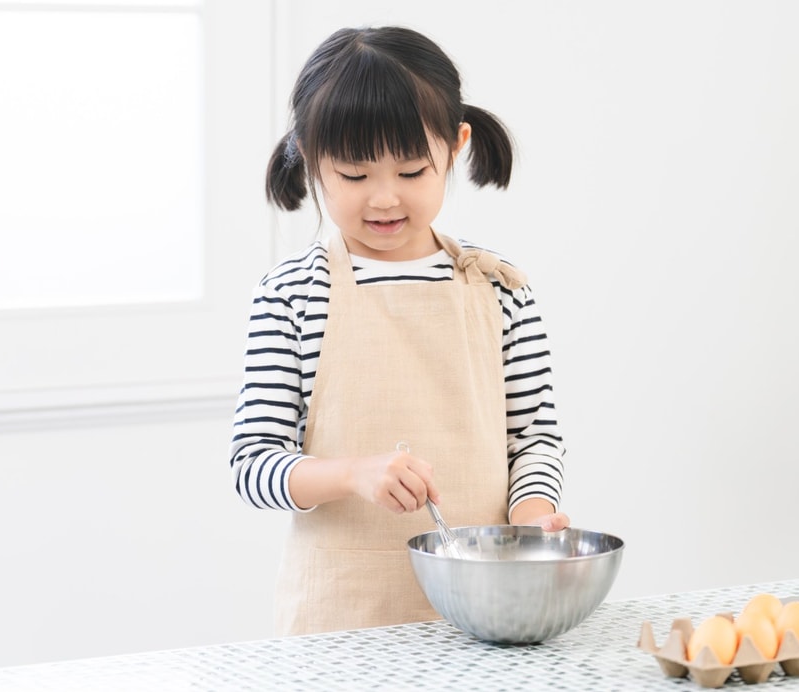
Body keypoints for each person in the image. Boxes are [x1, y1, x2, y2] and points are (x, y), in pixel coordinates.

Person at [229, 25, 569, 637]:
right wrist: (353, 473)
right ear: (310, 157)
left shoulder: (501, 289)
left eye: (413, 171)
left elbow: (535, 439)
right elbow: (253, 466)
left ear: (456, 146)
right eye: (355, 176)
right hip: (338, 628)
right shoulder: (290, 295)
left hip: (485, 616)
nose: (384, 198)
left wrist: (534, 516)